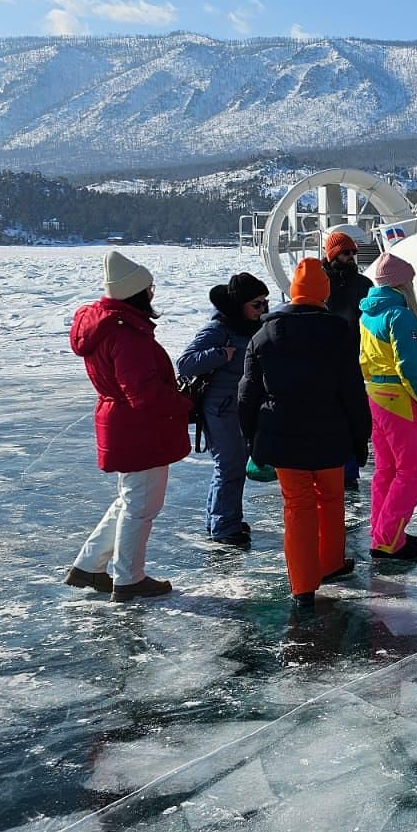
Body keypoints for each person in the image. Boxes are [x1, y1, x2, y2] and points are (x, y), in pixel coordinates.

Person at [238, 259, 372, 611]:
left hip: (283, 440)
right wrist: (361, 440)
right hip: (330, 438)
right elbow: (353, 392)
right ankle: (331, 564)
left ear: (293, 293)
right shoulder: (339, 332)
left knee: (297, 507)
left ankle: (302, 587)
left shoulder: (263, 334)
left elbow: (247, 393)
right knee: (330, 499)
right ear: (323, 293)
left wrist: (251, 440)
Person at [65, 250, 192, 602]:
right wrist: (186, 404)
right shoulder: (127, 336)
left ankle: (89, 565)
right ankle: (129, 577)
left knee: (130, 499)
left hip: (121, 422)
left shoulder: (106, 326)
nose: (153, 294)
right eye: (149, 289)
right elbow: (143, 393)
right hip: (139, 428)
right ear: (136, 293)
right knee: (141, 506)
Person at [176, 272, 272, 548]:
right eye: (257, 304)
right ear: (239, 305)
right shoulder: (219, 329)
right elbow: (185, 362)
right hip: (220, 409)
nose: (263, 309)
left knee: (234, 466)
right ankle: (223, 526)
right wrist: (219, 355)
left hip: (237, 408)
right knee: (229, 466)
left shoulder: (249, 327)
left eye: (265, 303)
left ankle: (222, 519)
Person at [358, 252, 417, 562]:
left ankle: (382, 532)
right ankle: (389, 540)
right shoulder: (401, 315)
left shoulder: (367, 314)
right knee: (413, 471)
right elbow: (409, 368)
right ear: (404, 283)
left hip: (375, 396)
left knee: (387, 469)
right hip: (398, 399)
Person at [321, 228, 374, 493]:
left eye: (353, 252)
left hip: (354, 362)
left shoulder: (363, 284)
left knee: (354, 417)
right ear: (332, 254)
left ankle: (350, 473)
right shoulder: (319, 283)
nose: (351, 257)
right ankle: (324, 468)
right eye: (345, 252)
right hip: (323, 363)